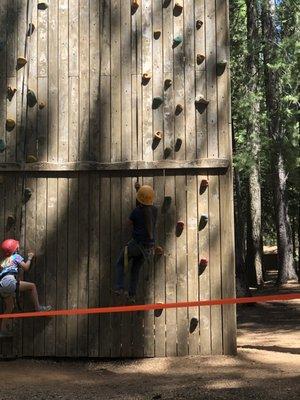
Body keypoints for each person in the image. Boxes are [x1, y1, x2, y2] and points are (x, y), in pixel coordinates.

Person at [115, 185, 158, 303]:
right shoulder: (155, 211)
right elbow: (147, 211)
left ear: (139, 200)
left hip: (135, 246)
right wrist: (139, 190)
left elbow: (127, 224)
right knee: (135, 271)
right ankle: (132, 295)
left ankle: (119, 287)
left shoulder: (136, 211)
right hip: (147, 249)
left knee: (120, 264)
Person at [0, 238, 51, 336]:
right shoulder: (16, 256)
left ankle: (2, 331)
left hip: (1, 286)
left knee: (9, 307)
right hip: (10, 282)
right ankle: (38, 308)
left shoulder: (3, 262)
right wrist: (30, 258)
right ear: (15, 249)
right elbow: (26, 267)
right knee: (32, 286)